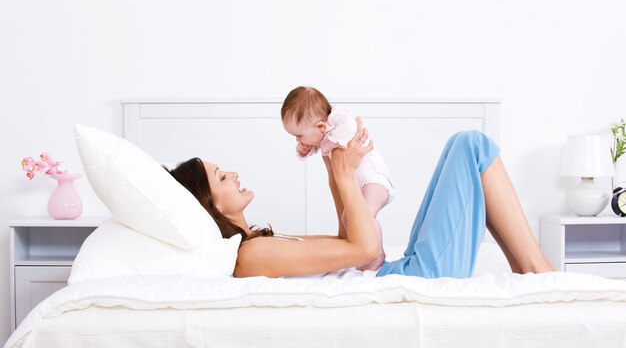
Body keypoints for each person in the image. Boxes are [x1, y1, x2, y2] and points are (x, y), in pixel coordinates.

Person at [167, 124, 555, 279]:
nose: (232, 174)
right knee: (473, 146)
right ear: (212, 206)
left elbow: (345, 243)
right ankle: (540, 270)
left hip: (398, 270)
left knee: (462, 146)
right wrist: (344, 174)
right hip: (412, 280)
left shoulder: (260, 242)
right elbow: (364, 247)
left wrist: (331, 160)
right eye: (221, 177)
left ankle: (528, 273)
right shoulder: (250, 256)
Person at [281, 86, 393, 271]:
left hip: (375, 178)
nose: (297, 140)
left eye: (299, 136)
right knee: (349, 219)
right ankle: (371, 253)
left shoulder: (338, 116)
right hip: (364, 183)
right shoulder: (325, 132)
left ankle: (377, 254)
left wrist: (327, 144)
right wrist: (308, 148)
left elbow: (350, 126)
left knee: (361, 218)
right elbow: (322, 142)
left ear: (320, 126)